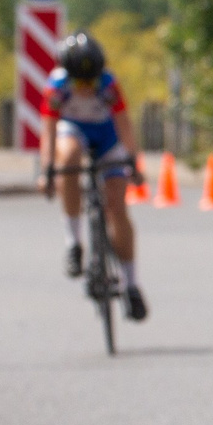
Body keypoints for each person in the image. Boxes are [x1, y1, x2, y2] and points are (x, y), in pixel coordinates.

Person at [42, 32, 149, 320]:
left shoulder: (108, 85)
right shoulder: (57, 86)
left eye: (91, 81)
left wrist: (134, 163)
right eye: (81, 82)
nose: (87, 88)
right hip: (74, 131)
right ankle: (74, 243)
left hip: (107, 138)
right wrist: (48, 170)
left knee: (117, 207)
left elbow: (124, 124)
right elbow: (50, 129)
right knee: (69, 158)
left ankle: (131, 285)